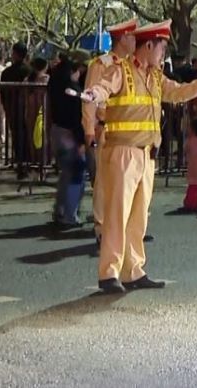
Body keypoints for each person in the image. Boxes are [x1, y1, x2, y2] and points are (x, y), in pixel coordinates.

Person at [80, 20, 197, 294]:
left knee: (139, 217)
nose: (164, 54)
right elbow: (103, 88)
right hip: (122, 153)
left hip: (146, 155)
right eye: (162, 48)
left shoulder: (156, 77)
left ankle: (133, 270)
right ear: (149, 45)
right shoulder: (120, 70)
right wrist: (94, 94)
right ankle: (109, 273)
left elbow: (180, 93)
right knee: (116, 215)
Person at [82, 18, 139, 243]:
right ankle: (102, 228)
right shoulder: (102, 64)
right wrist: (88, 128)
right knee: (105, 183)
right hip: (107, 130)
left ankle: (128, 228)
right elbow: (89, 99)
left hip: (131, 132)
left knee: (131, 182)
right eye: (133, 36)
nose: (137, 41)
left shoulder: (134, 64)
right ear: (123, 38)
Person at [49, 54, 89, 226]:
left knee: (66, 174)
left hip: (56, 130)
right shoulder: (73, 90)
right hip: (70, 136)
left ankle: (60, 210)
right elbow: (76, 118)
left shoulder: (54, 84)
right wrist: (81, 141)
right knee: (76, 174)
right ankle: (70, 214)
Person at [0, 42, 32, 179]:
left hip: (13, 107)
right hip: (28, 108)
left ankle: (20, 163)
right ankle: (28, 163)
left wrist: (6, 106)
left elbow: (3, 92)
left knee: (17, 136)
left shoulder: (7, 72)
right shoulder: (29, 71)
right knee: (28, 136)